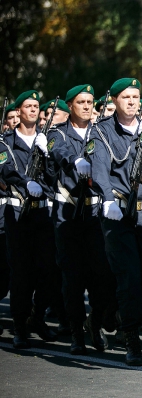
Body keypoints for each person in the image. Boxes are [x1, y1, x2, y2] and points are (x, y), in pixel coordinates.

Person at [87, 78, 142, 366]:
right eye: (126, 96)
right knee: (129, 277)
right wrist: (107, 199)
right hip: (117, 213)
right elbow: (99, 167)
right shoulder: (101, 131)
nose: (133, 101)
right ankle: (132, 341)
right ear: (114, 99)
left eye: (136, 96)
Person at [46, 85, 117, 355]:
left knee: (103, 276)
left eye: (90, 102)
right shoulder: (57, 133)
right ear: (70, 106)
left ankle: (95, 322)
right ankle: (77, 332)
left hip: (95, 215)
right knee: (73, 279)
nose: (87, 106)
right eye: (81, 102)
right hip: (68, 216)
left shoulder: (100, 133)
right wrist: (75, 160)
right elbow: (58, 152)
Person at [0, 90, 58, 349]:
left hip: (43, 212)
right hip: (17, 214)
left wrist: (48, 154)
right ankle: (20, 326)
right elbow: (6, 170)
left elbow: (57, 174)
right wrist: (26, 183)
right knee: (21, 273)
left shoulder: (47, 140)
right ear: (19, 111)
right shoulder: (6, 142)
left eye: (36, 106)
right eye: (28, 106)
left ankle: (37, 315)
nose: (34, 110)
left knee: (48, 270)